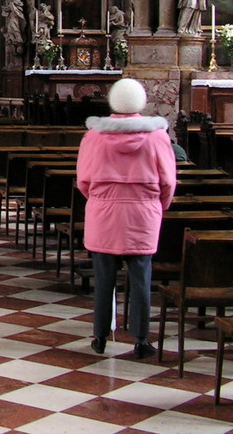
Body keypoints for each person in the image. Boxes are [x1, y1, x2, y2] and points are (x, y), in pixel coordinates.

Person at [76, 78, 176, 358]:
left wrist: (100, 198)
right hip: (143, 213)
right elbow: (168, 181)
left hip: (104, 212)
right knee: (142, 278)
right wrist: (158, 206)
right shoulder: (157, 136)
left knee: (103, 278)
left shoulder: (94, 136)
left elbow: (83, 179)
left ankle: (100, 335)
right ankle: (141, 338)